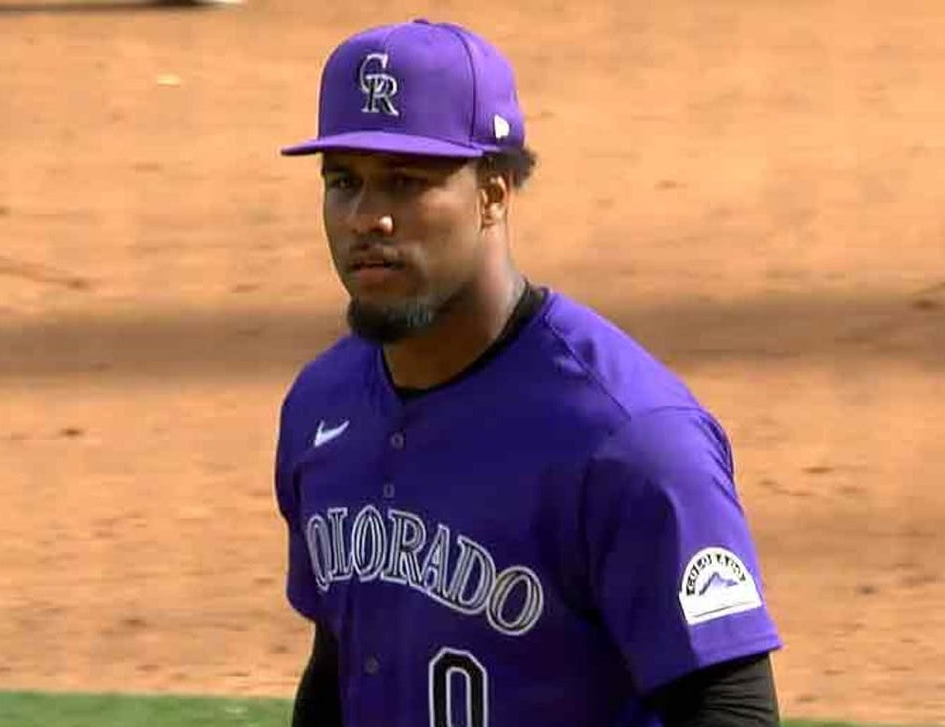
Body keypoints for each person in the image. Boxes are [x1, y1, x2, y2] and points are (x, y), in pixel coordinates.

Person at [272, 18, 783, 727]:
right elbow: (336, 667)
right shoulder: (321, 407)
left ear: (495, 191)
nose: (368, 218)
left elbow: (729, 707)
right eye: (343, 181)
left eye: (405, 182)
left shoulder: (629, 439)